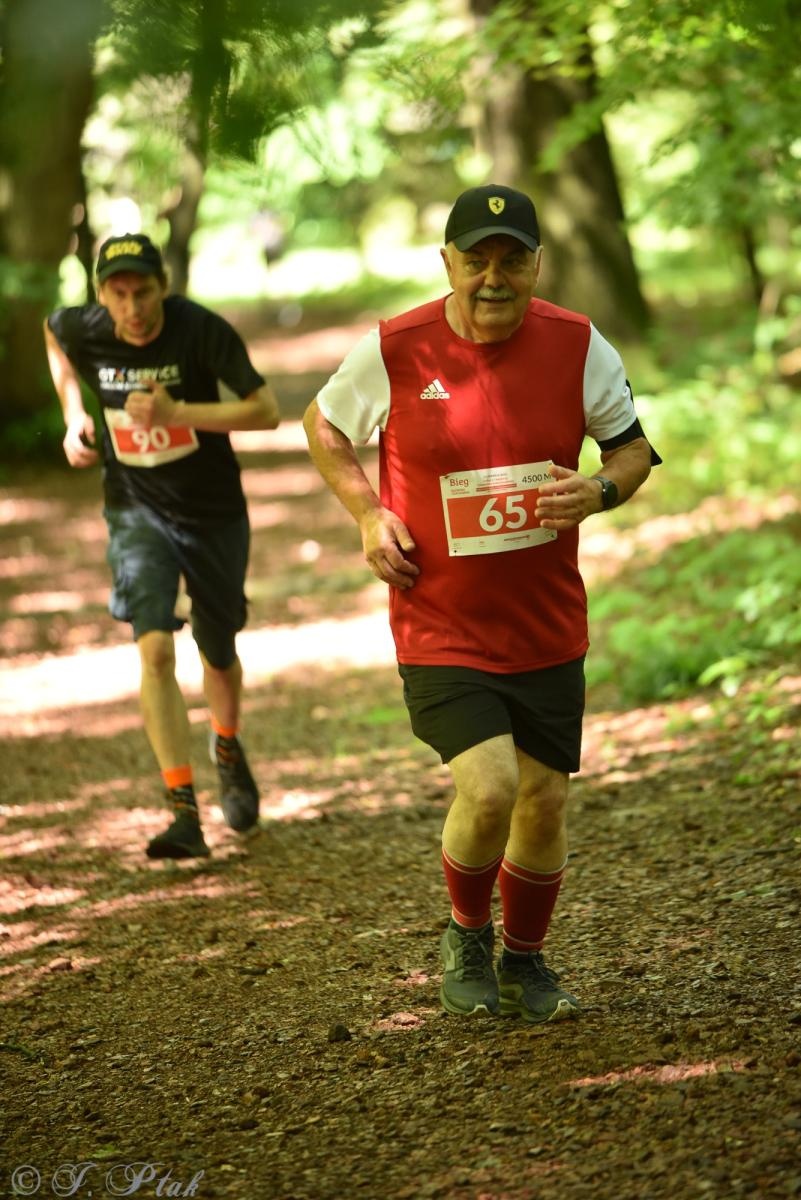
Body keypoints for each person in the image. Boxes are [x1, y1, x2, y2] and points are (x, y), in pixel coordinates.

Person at [303, 184, 660, 1023]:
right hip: (439, 619)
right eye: (476, 259)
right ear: (447, 263)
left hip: (544, 622)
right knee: (492, 787)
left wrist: (600, 491)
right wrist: (368, 513)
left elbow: (633, 450)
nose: (492, 277)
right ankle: (466, 933)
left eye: (511, 260)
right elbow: (323, 425)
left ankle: (524, 960)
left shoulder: (578, 344)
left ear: (537, 265)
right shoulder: (395, 348)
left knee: (544, 798)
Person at [44, 232, 280, 861]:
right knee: (153, 648)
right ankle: (183, 811)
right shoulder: (85, 328)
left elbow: (266, 410)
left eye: (143, 292)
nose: (133, 308)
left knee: (217, 648)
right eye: (118, 295)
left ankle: (226, 745)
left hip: (212, 512)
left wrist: (180, 413)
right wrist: (74, 412)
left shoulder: (200, 330)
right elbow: (54, 334)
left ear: (163, 287)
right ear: (102, 296)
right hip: (135, 509)